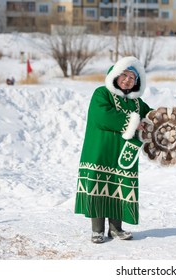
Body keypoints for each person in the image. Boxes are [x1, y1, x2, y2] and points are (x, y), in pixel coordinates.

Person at [74, 56, 152, 244]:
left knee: (119, 187)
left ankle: (116, 229)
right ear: (116, 75)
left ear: (137, 82)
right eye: (124, 75)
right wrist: (134, 122)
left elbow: (152, 117)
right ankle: (97, 230)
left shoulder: (137, 103)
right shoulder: (102, 93)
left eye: (132, 78)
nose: (127, 80)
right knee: (99, 187)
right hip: (100, 151)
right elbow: (102, 116)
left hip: (124, 154)